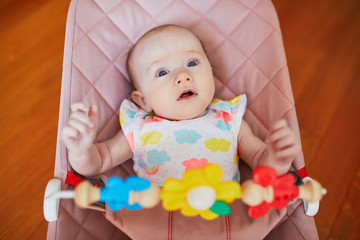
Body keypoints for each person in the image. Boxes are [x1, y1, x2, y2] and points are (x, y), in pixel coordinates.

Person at [61, 25, 301, 185]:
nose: (183, 75)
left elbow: (260, 159)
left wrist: (276, 158)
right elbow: (98, 162)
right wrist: (82, 150)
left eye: (193, 62)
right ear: (143, 101)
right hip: (158, 222)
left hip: (222, 220)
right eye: (163, 71)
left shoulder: (229, 120)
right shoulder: (141, 128)